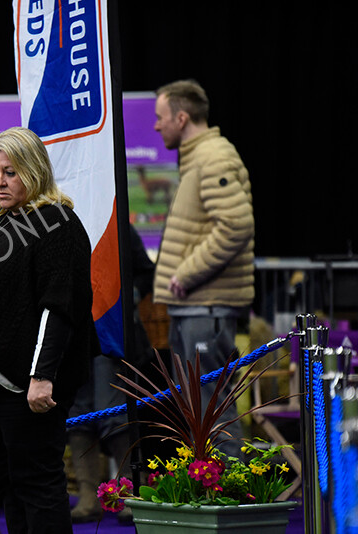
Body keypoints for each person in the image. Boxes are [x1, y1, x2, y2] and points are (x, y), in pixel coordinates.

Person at [0, 126, 99, 533]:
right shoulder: (0, 221)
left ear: (34, 170)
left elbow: (58, 308)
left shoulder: (58, 223)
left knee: (38, 485)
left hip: (28, 388)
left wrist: (42, 376)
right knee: (7, 482)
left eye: (10, 172)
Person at [152, 79, 254, 459]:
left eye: (161, 117)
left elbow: (236, 225)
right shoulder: (200, 156)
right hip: (197, 308)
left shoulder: (213, 157)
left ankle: (230, 499)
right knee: (202, 410)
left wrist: (186, 272)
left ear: (182, 117)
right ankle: (217, 491)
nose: (156, 126)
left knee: (212, 409)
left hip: (205, 307)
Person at [67, 224, 155, 525]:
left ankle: (129, 494)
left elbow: (145, 270)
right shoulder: (55, 222)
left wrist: (127, 294)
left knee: (115, 415)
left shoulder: (117, 225)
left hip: (110, 334)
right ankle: (89, 498)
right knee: (77, 415)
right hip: (70, 335)